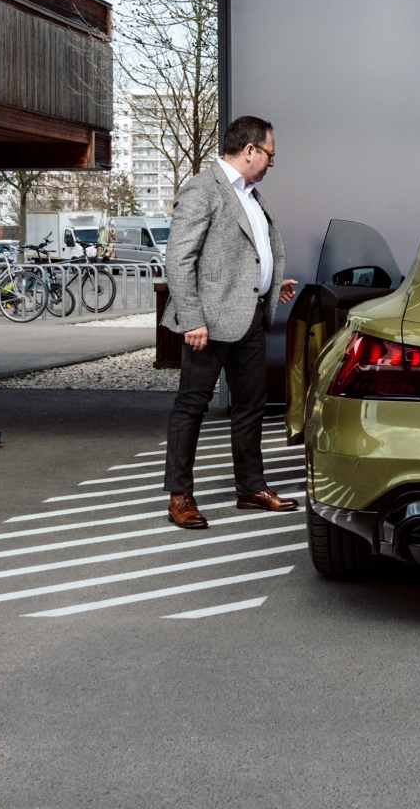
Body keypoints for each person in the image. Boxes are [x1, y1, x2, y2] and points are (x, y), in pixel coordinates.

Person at [159, 114, 300, 529]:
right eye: (270, 154)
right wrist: (192, 319)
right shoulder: (203, 189)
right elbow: (178, 260)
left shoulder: (251, 193)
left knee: (251, 407)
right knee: (192, 406)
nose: (272, 162)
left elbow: (246, 256)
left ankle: (250, 489)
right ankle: (180, 496)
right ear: (251, 149)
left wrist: (271, 284)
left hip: (251, 316)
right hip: (208, 323)